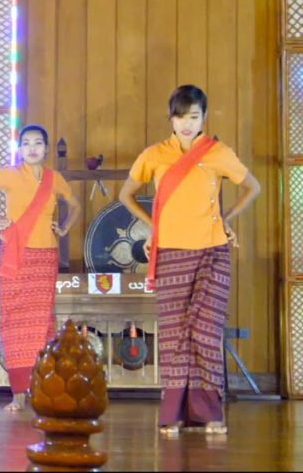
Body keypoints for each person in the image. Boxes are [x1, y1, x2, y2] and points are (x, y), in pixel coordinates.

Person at [118, 84, 260, 437]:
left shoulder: (218, 152)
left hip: (212, 252)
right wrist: (155, 226)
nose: (186, 124)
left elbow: (252, 186)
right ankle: (174, 413)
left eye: (193, 117)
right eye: (180, 117)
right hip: (170, 254)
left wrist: (226, 219)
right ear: (171, 118)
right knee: (175, 333)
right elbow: (126, 195)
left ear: (204, 117)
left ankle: (209, 413)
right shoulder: (155, 154)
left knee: (207, 331)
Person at [0, 124, 80, 412]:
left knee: (42, 324)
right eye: (26, 143)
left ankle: (44, 390)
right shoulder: (9, 175)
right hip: (16, 255)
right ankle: (19, 395)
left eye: (37, 143)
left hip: (45, 258)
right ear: (19, 148)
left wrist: (63, 228)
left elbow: (74, 206)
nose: (32, 148)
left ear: (46, 148)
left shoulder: (54, 178)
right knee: (14, 323)